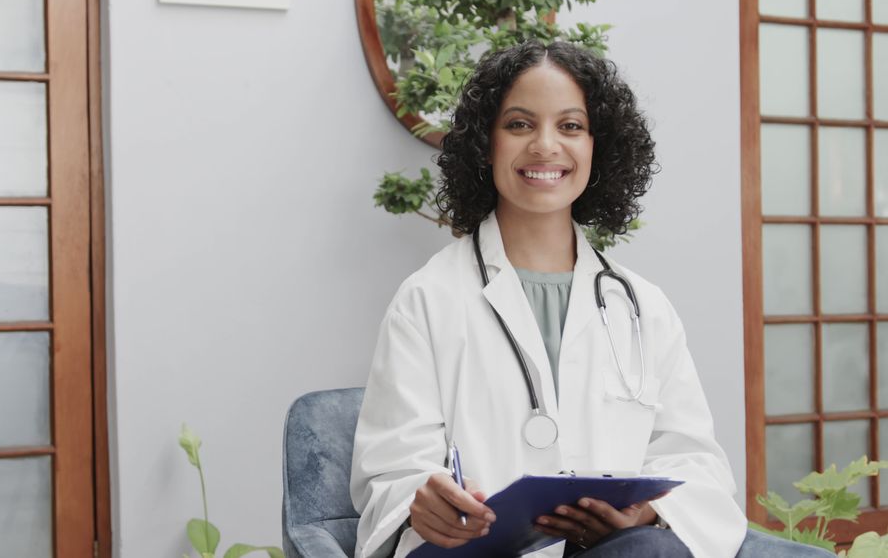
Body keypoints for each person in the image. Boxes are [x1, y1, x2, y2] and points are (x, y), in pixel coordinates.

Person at [349, 40, 832, 558]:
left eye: (571, 126)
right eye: (518, 124)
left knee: (649, 549)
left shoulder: (644, 307)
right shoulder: (427, 299)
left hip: (613, 552)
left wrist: (649, 511)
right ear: (485, 143)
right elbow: (393, 470)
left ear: (600, 146)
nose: (544, 146)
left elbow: (694, 459)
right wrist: (420, 499)